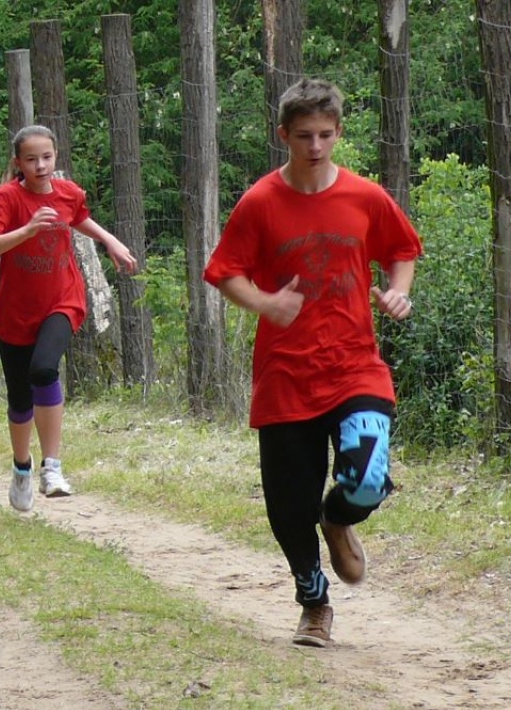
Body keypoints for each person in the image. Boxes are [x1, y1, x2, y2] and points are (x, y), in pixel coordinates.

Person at [203, 78, 421, 648]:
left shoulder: (365, 197)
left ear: (338, 132)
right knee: (287, 506)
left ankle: (339, 517)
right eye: (304, 136)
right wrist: (265, 302)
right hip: (285, 375)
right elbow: (225, 272)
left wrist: (399, 292)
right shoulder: (260, 202)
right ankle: (314, 602)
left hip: (355, 366)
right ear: (284, 135)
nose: (316, 146)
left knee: (367, 478)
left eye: (325, 134)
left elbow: (402, 249)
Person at [0, 124, 137, 512]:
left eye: (47, 157)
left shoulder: (68, 192)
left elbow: (77, 216)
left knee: (44, 370)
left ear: (56, 156)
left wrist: (110, 240)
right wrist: (28, 229)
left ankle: (53, 468)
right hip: (16, 311)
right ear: (18, 162)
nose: (41, 165)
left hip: (62, 299)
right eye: (31, 159)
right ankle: (22, 467)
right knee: (19, 400)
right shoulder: (4, 199)